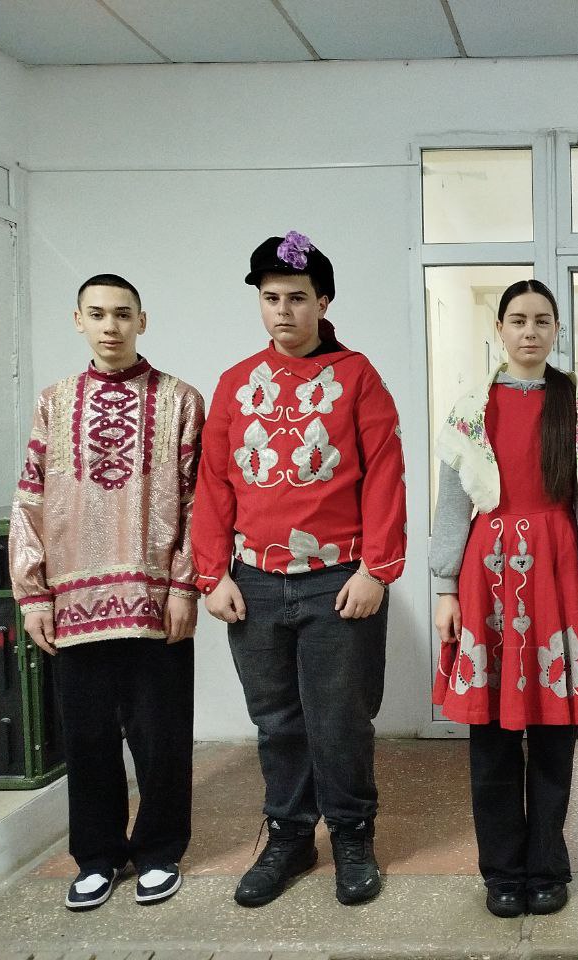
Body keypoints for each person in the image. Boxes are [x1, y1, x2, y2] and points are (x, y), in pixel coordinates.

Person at [191, 231, 406, 908]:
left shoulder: (358, 377)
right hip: (253, 581)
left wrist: (376, 570)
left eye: (297, 298)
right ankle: (288, 836)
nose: (283, 311)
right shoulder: (235, 384)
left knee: (340, 719)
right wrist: (212, 573)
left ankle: (351, 835)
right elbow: (213, 483)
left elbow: (385, 476)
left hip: (339, 579)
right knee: (277, 720)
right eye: (271, 298)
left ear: (324, 302)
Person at [9, 274, 203, 910]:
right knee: (87, 738)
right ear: (78, 321)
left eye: (122, 314)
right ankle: (96, 857)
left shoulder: (181, 400)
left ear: (142, 321)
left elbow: (199, 502)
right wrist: (33, 594)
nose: (110, 326)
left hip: (155, 601)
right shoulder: (53, 402)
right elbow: (31, 498)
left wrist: (184, 586)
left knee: (161, 735)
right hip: (74, 604)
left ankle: (160, 851)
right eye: (97, 314)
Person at [430, 279, 578, 918]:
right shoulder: (470, 407)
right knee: (491, 735)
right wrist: (445, 587)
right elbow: (453, 501)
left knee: (555, 731)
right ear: (500, 329)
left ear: (556, 329)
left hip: (557, 574)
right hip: (486, 577)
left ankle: (547, 865)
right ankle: (502, 870)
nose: (529, 331)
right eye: (517, 320)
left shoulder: (576, 407)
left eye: (541, 320)